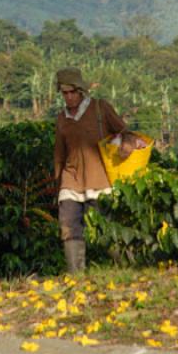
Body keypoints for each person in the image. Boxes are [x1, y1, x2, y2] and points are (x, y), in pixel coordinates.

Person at [54, 66, 140, 273]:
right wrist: (57, 184)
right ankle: (76, 275)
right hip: (71, 180)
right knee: (69, 226)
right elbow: (59, 154)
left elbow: (126, 132)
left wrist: (126, 145)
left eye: (72, 92)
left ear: (80, 91)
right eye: (64, 93)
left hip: (100, 179)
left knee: (104, 227)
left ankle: (125, 269)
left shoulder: (100, 109)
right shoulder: (62, 118)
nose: (68, 97)